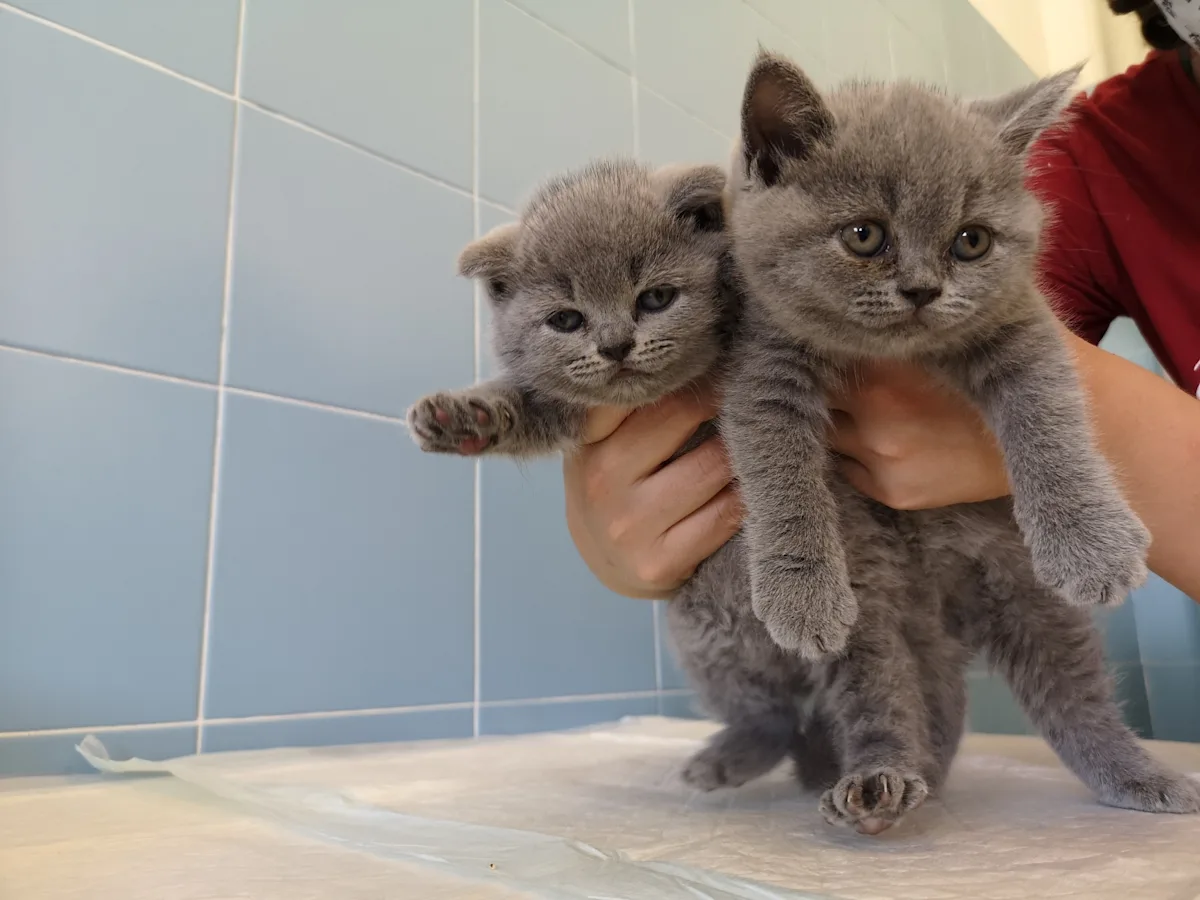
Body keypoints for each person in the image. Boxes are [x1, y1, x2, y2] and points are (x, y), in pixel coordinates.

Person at [562, 0, 1200, 603]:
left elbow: (1024, 345)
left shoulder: (1047, 179)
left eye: (969, 242)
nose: (922, 283)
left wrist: (1096, 451)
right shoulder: (1109, 148)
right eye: (865, 238)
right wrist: (635, 522)